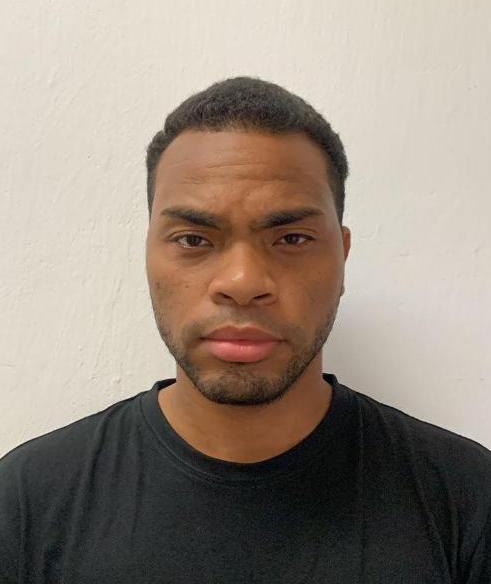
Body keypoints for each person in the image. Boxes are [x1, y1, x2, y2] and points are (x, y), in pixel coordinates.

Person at [0, 76, 490, 583]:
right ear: (148, 254)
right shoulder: (27, 501)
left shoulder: (466, 499)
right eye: (193, 239)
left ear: (342, 256)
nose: (242, 283)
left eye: (292, 238)